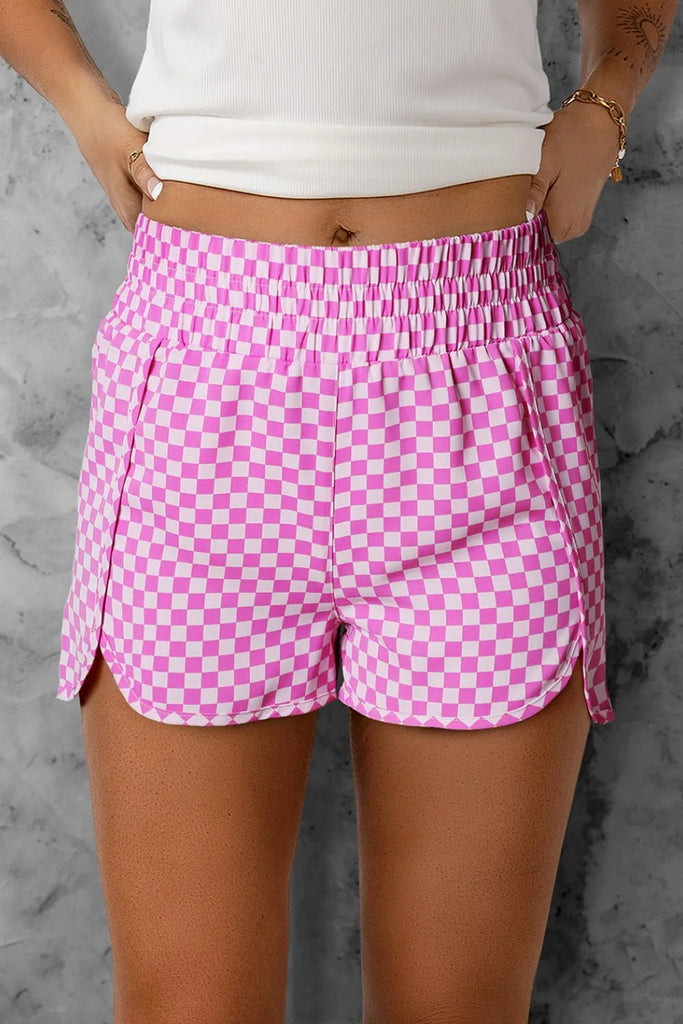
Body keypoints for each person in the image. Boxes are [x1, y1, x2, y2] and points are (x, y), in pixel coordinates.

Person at [2, 1, 674, 1021]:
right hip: (205, 381)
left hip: (479, 368)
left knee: (456, 1007)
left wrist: (604, 101)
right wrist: (84, 107)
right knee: (188, 1006)